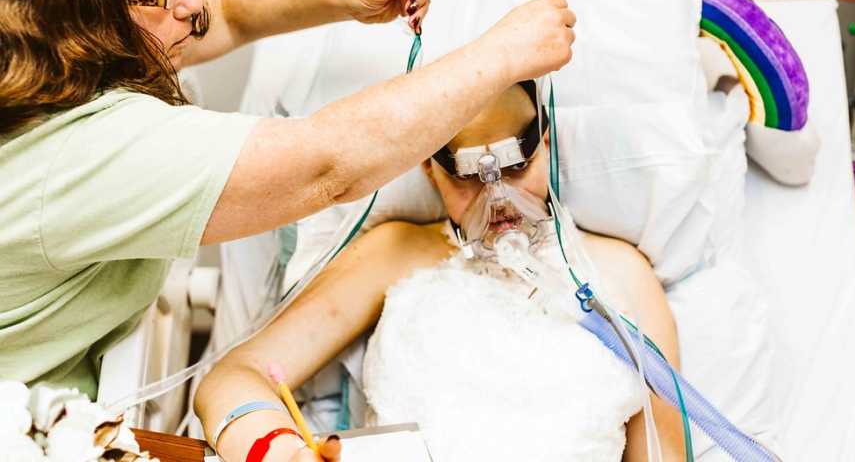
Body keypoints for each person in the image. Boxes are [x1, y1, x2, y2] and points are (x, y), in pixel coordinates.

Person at [0, 0, 575, 457]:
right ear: (70, 24)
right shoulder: (75, 155)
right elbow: (326, 165)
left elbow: (223, 5)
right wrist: (503, 55)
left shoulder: (44, 55)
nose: (191, 2)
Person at [196, 82, 685, 462]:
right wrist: (279, 449)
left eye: (517, 168)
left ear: (548, 146)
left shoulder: (621, 278)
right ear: (431, 170)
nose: (498, 201)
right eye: (469, 177)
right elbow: (234, 378)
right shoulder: (396, 253)